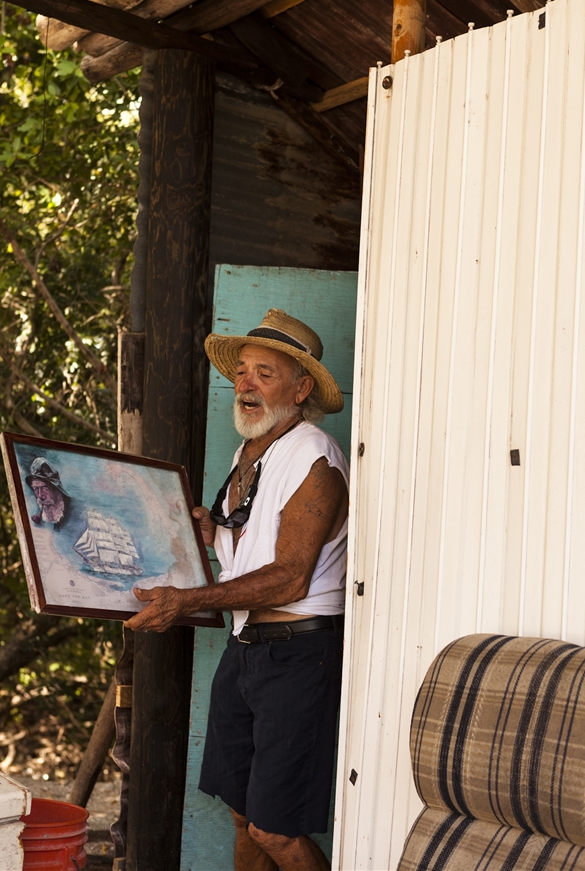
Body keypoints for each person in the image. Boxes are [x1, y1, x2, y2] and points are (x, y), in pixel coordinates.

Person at [125, 309, 349, 871]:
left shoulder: (314, 457)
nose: (245, 384)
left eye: (264, 374)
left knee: (275, 830)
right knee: (242, 815)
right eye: (242, 371)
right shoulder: (250, 451)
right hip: (247, 649)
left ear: (301, 389)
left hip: (298, 655)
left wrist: (188, 600)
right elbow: (252, 543)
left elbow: (290, 577)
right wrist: (210, 533)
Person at [26, 457, 71, 528]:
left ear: (57, 489)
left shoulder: (74, 511)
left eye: (45, 489)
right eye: (36, 489)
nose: (40, 496)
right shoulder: (42, 516)